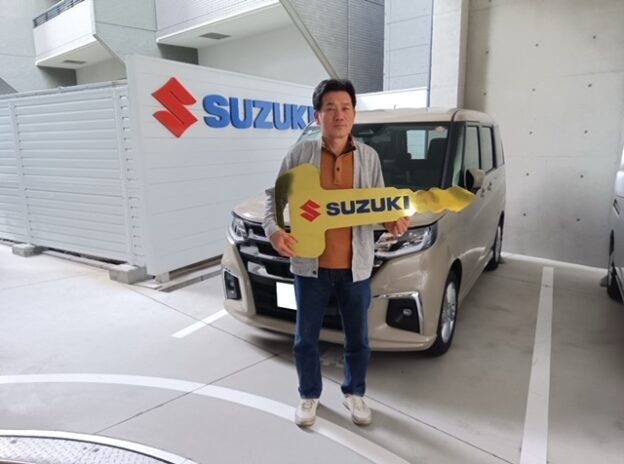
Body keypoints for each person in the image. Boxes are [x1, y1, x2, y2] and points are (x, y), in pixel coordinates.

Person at [263, 78, 409, 427]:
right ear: (317, 116)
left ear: (354, 115)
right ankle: (308, 394)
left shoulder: (369, 158)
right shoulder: (300, 155)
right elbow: (274, 199)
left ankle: (354, 392)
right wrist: (274, 231)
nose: (339, 115)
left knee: (358, 339)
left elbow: (379, 206)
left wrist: (393, 221)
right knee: (305, 339)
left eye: (345, 108)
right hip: (310, 267)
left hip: (356, 268)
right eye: (330, 108)